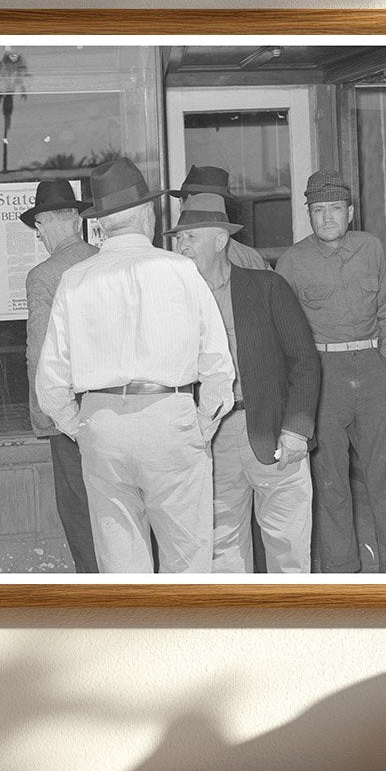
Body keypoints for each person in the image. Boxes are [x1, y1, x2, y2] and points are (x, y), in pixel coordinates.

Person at [35, 158, 234, 574]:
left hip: (102, 422)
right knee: (187, 558)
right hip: (170, 417)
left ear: (101, 224)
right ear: (148, 212)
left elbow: (50, 384)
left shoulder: (75, 279)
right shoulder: (181, 270)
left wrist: (82, 427)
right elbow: (218, 368)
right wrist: (201, 423)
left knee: (121, 564)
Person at [275, 170, 386, 574]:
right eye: (318, 210)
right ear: (309, 214)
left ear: (350, 212)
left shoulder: (372, 249)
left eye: (335, 209)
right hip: (322, 377)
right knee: (329, 479)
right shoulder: (291, 262)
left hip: (375, 371)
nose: (327, 218)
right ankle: (341, 569)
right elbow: (282, 329)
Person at [164, 194, 320, 573]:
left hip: (274, 431)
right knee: (221, 547)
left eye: (190, 238)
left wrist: (296, 429)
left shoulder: (267, 287)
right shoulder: (173, 299)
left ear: (220, 240)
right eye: (178, 239)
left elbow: (304, 361)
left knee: (288, 547)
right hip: (211, 439)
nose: (181, 246)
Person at [21, 179, 99, 574]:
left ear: (50, 224)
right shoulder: (105, 261)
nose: (39, 236)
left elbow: (39, 353)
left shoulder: (44, 276)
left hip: (69, 414)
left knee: (80, 512)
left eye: (39, 227)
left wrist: (45, 419)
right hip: (120, 405)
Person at [170, 165, 269, 271]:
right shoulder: (252, 257)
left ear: (181, 202)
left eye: (192, 236)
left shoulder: (185, 261)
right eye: (179, 237)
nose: (183, 245)